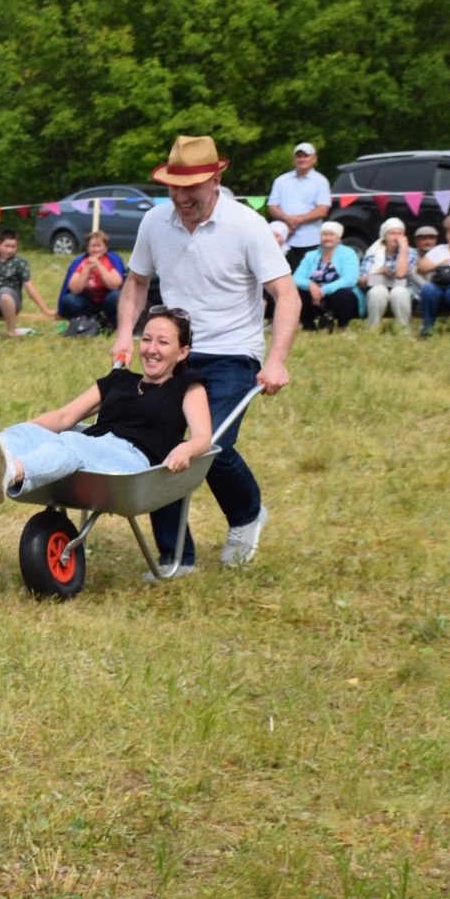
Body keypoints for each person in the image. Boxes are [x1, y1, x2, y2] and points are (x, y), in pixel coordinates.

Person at [112, 134, 299, 574]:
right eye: (174, 186)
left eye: (191, 186)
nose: (181, 196)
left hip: (234, 354)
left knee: (207, 443)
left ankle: (247, 515)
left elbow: (286, 295)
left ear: (215, 178)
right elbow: (137, 282)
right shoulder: (156, 223)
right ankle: (176, 557)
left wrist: (276, 360)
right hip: (178, 352)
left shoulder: (246, 225)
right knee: (157, 441)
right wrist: (125, 334)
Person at [0, 307, 211, 505]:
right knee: (29, 432)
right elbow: (66, 415)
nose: (151, 349)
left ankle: (7, 474)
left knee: (71, 442)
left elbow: (203, 438)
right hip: (93, 448)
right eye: (147, 339)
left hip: (131, 462)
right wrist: (20, 431)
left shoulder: (186, 387)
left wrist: (186, 449)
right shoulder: (119, 380)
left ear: (183, 352)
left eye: (163, 342)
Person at [0, 230, 53, 337]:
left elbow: (30, 288)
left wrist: (45, 310)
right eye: (6, 246)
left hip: (11, 300)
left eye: (13, 247)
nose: (10, 250)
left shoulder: (20, 262)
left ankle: (11, 331)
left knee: (4, 293)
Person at [267, 141, 331, 270]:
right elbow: (272, 206)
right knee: (284, 277)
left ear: (314, 159)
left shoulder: (321, 181)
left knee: (308, 279)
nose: (302, 159)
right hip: (284, 241)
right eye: (298, 156)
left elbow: (322, 210)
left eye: (306, 156)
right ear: (294, 159)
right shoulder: (281, 180)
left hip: (311, 240)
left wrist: (297, 220)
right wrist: (287, 219)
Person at [292, 221, 362, 331]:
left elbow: (350, 279)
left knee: (342, 295)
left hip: (338, 292)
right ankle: (308, 326)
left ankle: (342, 326)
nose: (327, 238)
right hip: (314, 292)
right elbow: (296, 278)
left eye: (331, 235)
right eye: (324, 235)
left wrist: (324, 290)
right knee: (299, 293)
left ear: (338, 238)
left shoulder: (348, 253)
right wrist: (310, 285)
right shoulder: (310, 255)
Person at [58, 231, 125, 327]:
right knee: (68, 300)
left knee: (116, 296)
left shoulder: (111, 261)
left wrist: (99, 265)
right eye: (93, 246)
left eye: (99, 246)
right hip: (88, 302)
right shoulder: (81, 262)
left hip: (106, 302)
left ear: (105, 248)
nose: (96, 249)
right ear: (88, 248)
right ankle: (84, 322)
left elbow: (116, 284)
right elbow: (74, 289)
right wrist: (87, 269)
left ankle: (111, 322)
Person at [359, 217, 416, 330]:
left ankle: (402, 330)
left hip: (403, 290)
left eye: (399, 233)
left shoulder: (410, 252)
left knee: (399, 292)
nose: (396, 237)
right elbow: (361, 281)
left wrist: (403, 249)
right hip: (377, 288)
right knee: (378, 291)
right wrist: (379, 272)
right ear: (384, 236)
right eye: (392, 233)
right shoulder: (373, 252)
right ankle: (373, 329)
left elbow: (400, 274)